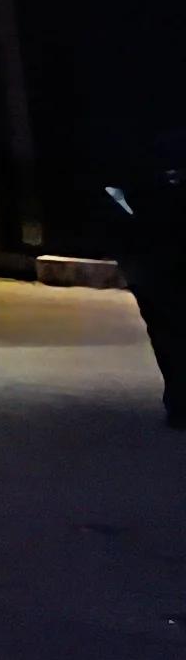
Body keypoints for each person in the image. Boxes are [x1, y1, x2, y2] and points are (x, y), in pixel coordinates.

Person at [108, 118, 186, 432]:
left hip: (149, 261)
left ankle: (180, 402)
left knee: (166, 332)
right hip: (155, 260)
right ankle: (180, 401)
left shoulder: (140, 156)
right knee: (169, 329)